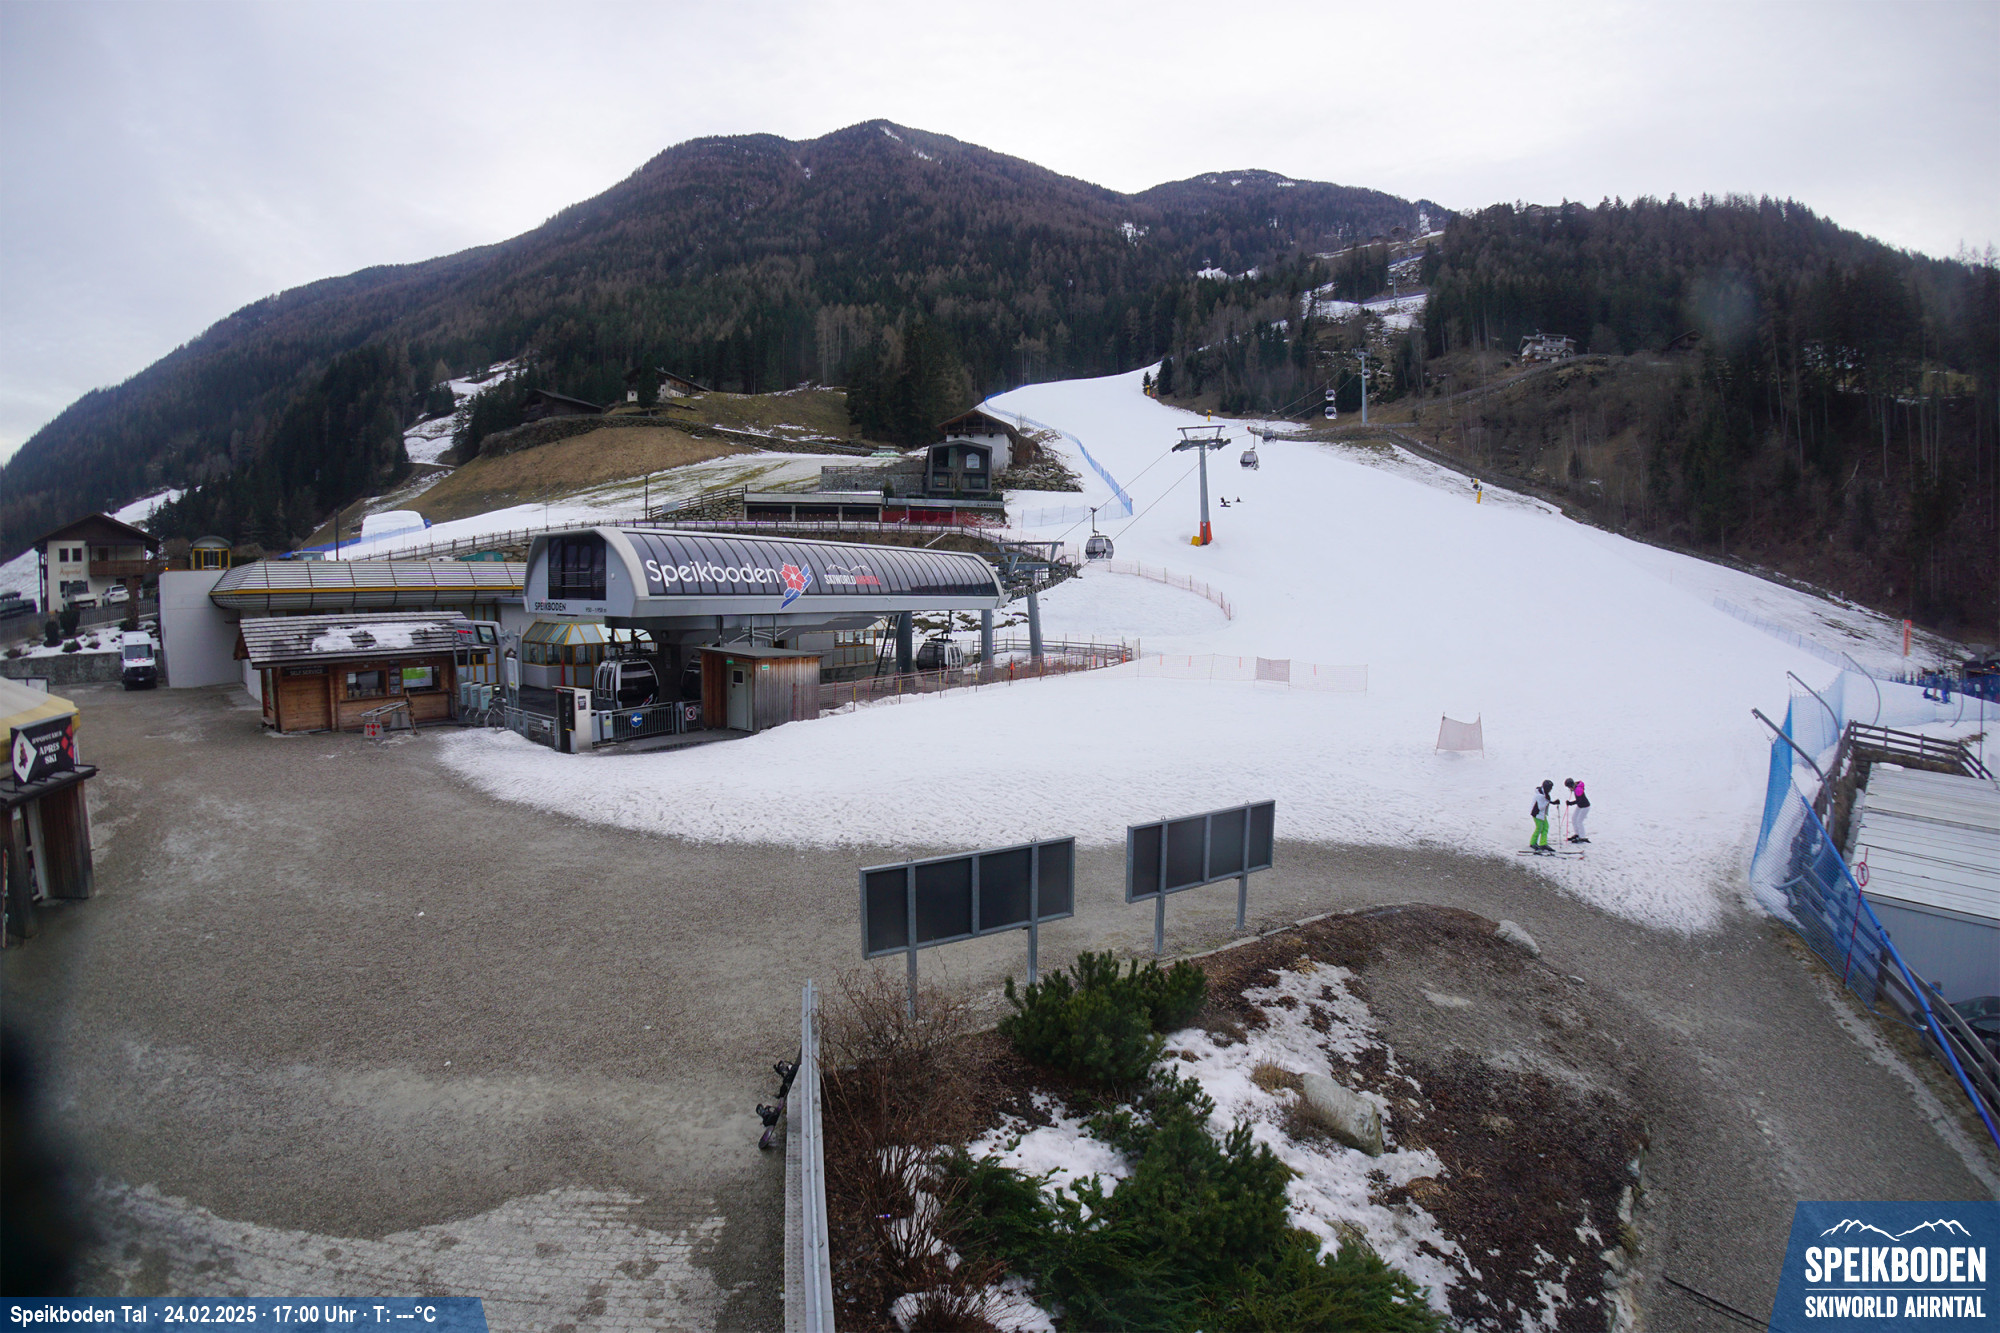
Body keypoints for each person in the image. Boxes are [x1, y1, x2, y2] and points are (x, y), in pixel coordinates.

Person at [1530, 780, 1553, 852]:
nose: (1551, 790)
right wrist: (1548, 801)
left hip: (1542, 814)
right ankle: (1533, 843)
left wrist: (1553, 802)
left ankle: (1543, 843)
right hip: (1537, 814)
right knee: (1539, 828)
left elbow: (1545, 801)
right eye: (1550, 788)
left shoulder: (1544, 793)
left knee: (1545, 827)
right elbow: (1541, 807)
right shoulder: (1539, 795)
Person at [1565, 778, 1591, 843]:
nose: (1569, 789)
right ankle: (1577, 834)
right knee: (1574, 819)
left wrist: (1570, 803)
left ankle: (1582, 837)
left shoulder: (1578, 790)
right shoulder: (1575, 788)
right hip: (1580, 806)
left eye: (1569, 787)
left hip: (1585, 807)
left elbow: (1579, 800)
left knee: (1579, 821)